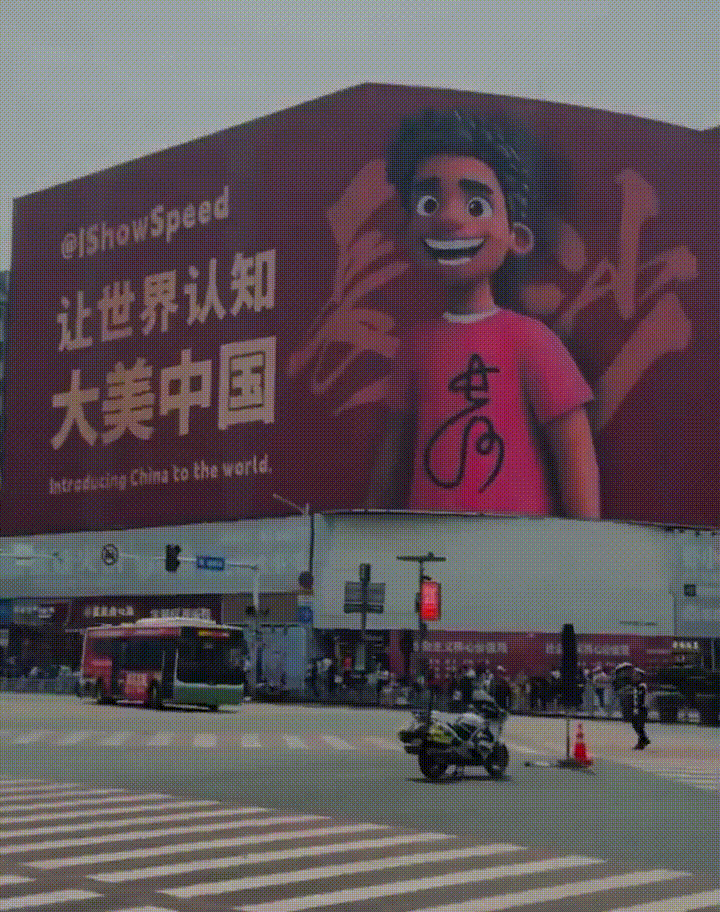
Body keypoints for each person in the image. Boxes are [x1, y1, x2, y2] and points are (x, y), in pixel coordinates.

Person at [367, 109, 600, 519]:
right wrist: (368, 537)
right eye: (428, 203)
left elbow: (572, 441)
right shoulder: (415, 346)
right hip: (427, 540)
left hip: (515, 542)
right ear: (408, 233)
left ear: (517, 238)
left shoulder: (531, 339)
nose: (449, 218)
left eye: (476, 205)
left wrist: (585, 543)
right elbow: (394, 456)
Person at [630, 667, 650, 749]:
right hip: (637, 708)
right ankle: (643, 740)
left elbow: (641, 697)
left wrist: (639, 706)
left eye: (636, 675)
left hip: (642, 708)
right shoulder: (637, 685)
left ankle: (642, 741)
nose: (634, 677)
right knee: (636, 724)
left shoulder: (642, 686)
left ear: (640, 677)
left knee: (638, 725)